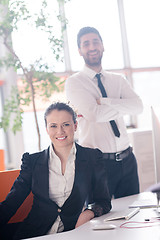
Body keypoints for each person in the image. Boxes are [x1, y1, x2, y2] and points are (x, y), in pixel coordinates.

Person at [0, 102, 111, 240]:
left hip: (73, 233)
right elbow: (12, 202)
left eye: (66, 124)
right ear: (46, 129)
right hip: (34, 234)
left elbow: (104, 201)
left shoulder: (92, 158)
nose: (60, 131)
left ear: (75, 126)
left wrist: (88, 213)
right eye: (53, 126)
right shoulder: (32, 161)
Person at [65, 26, 143, 199]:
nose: (92, 47)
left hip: (128, 159)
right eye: (86, 44)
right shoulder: (74, 83)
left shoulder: (118, 80)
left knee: (134, 216)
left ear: (102, 45)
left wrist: (105, 102)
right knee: (98, 217)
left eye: (95, 42)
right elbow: (94, 115)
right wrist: (122, 106)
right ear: (79, 50)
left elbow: (138, 107)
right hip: (96, 163)